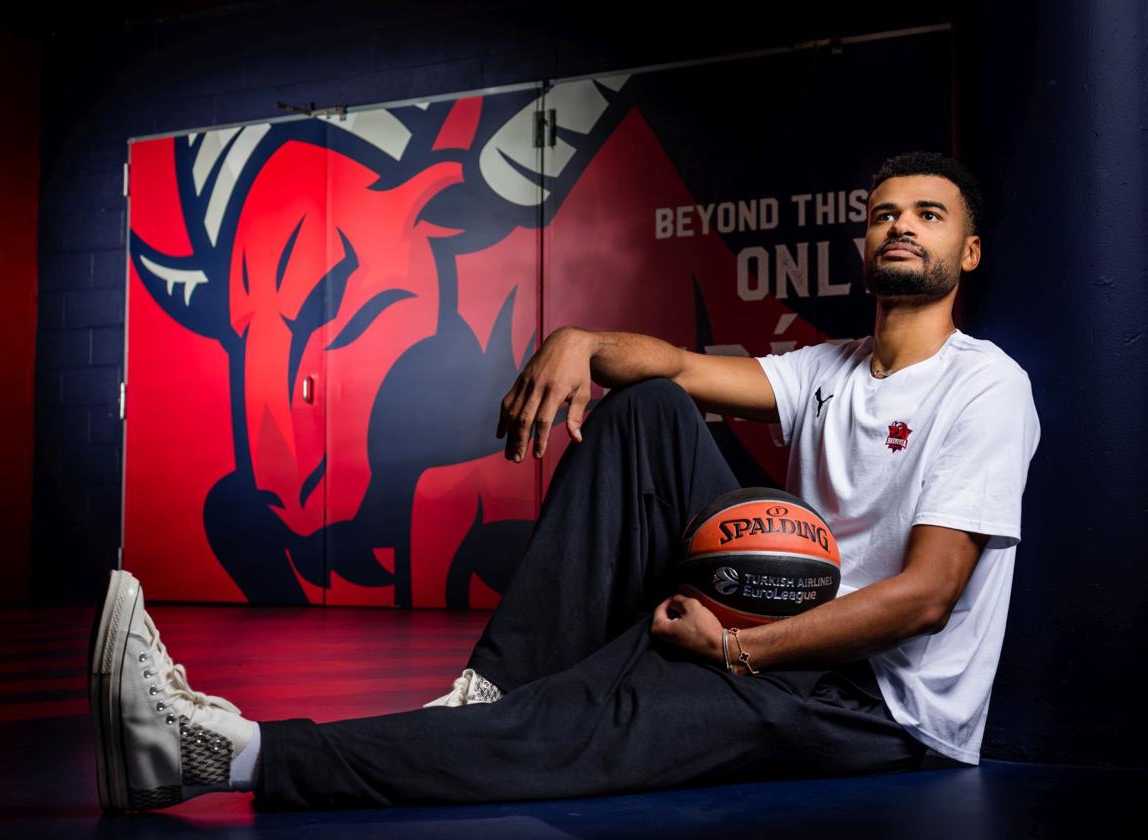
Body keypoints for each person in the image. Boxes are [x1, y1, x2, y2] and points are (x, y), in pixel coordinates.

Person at [89, 151, 1040, 812]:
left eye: (928, 214)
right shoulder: (828, 367)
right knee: (650, 403)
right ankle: (493, 688)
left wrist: (738, 653)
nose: (900, 227)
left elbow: (925, 598)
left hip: (873, 704)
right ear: (863, 245)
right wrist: (579, 340)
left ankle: (220, 754)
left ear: (968, 254)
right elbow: (667, 362)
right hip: (776, 628)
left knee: (591, 724)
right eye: (884, 213)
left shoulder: (985, 385)